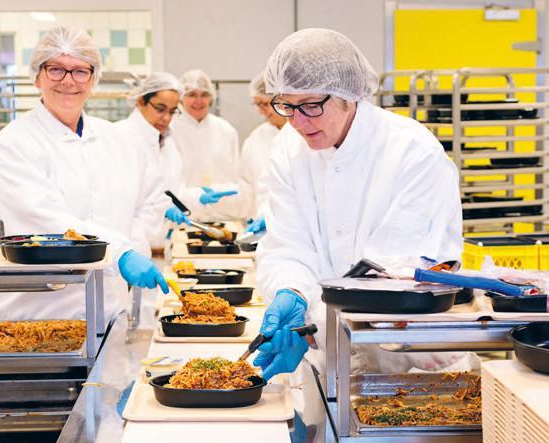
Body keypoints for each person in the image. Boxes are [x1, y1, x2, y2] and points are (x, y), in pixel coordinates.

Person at [254, 28, 462, 380]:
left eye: (311, 106)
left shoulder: (412, 152)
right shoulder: (288, 149)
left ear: (349, 97)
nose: (298, 122)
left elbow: (395, 272)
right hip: (329, 357)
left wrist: (313, 321)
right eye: (286, 105)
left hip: (410, 361)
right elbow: (287, 245)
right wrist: (291, 291)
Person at [0, 26, 168, 323]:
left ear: (94, 79)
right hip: (33, 318)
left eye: (80, 71)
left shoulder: (114, 139)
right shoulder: (14, 143)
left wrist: (135, 247)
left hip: (106, 312)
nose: (68, 81)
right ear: (37, 76)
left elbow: (145, 203)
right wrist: (119, 254)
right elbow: (43, 221)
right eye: (56, 69)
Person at [166, 69, 251, 223]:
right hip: (184, 218)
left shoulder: (226, 130)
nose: (199, 101)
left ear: (211, 98)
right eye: (191, 94)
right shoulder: (170, 130)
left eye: (204, 95)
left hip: (223, 218)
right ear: (181, 98)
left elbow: (237, 177)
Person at [113, 72, 183, 250]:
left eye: (172, 111)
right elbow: (121, 210)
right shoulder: (121, 138)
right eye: (160, 109)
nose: (166, 118)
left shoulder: (165, 141)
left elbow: (166, 191)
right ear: (141, 101)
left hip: (158, 245)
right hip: (131, 250)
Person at [241, 72, 288, 234]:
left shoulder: (306, 136)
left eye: (265, 104)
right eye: (257, 105)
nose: (261, 112)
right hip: (263, 228)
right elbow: (248, 185)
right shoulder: (256, 138)